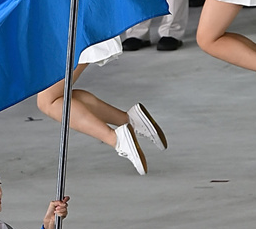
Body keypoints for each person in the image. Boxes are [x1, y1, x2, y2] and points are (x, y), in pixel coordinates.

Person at [36, 38, 167, 175]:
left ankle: (116, 138)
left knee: (48, 101)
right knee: (59, 96)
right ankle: (130, 120)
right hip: (72, 31)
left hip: (71, 32)